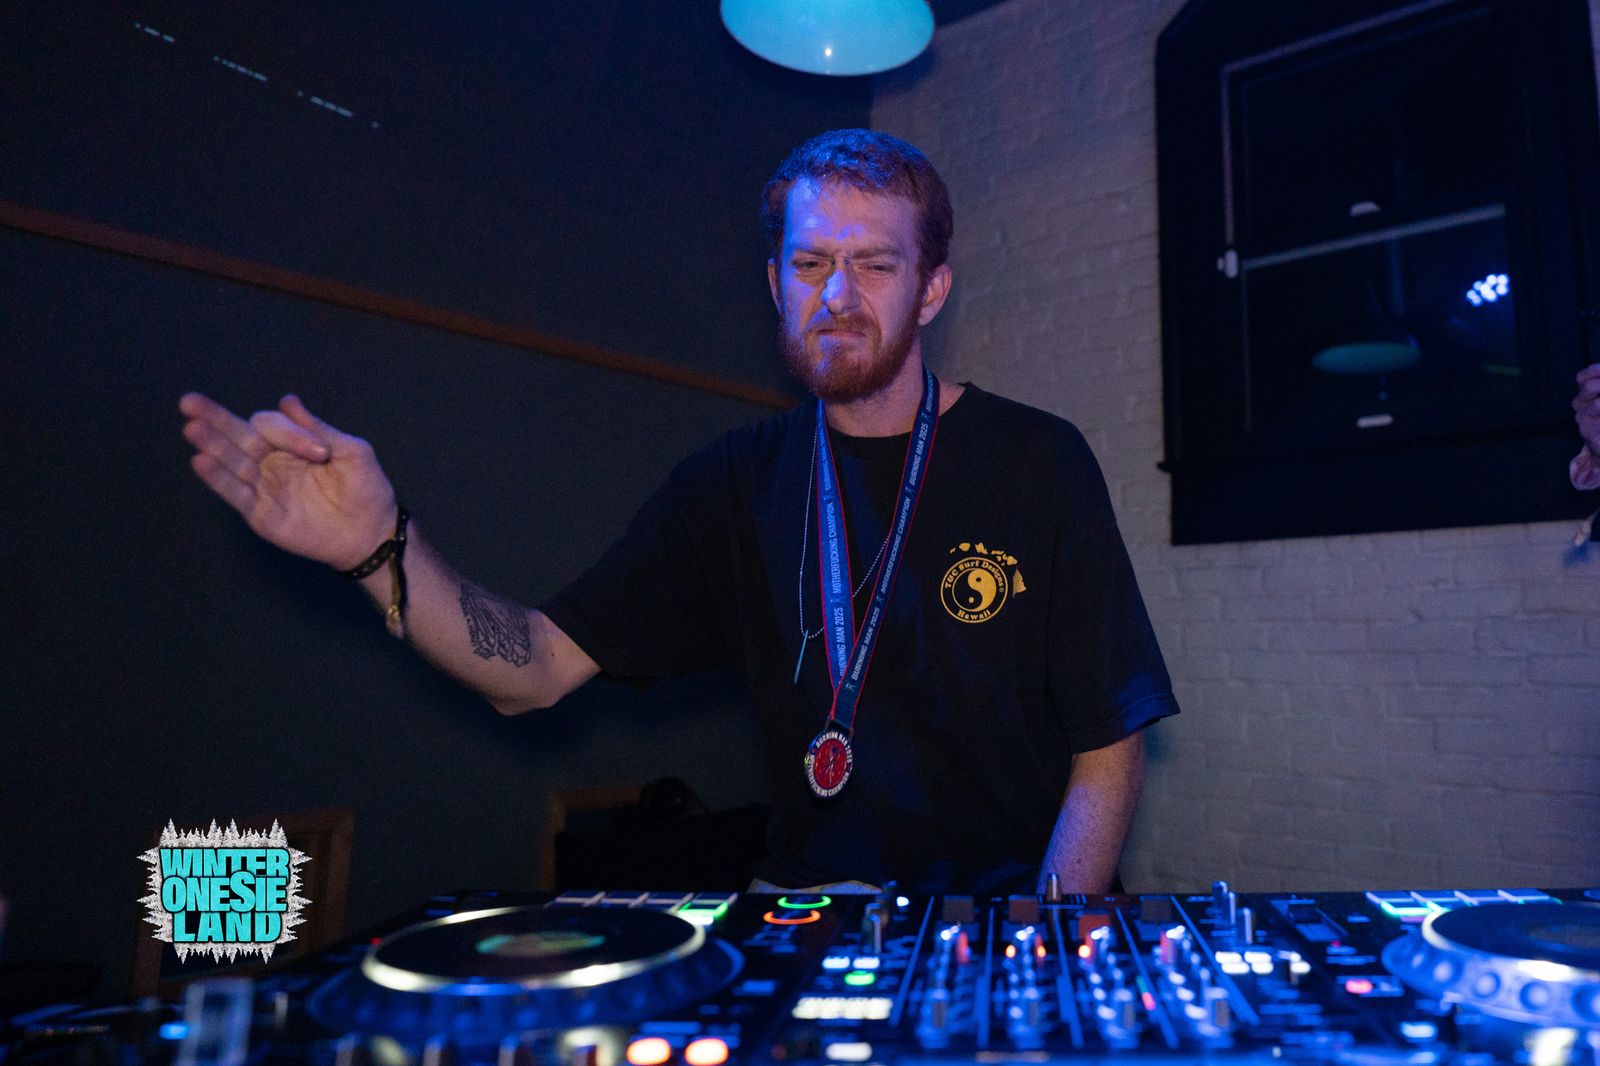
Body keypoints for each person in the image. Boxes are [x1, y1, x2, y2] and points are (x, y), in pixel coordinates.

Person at [180, 129, 1179, 896]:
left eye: (876, 265)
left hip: (1007, 925)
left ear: (930, 291)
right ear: (775, 286)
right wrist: (379, 549)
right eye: (809, 264)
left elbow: (1109, 746)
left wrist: (1043, 938)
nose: (837, 294)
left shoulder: (1036, 459)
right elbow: (534, 668)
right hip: (807, 922)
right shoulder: (732, 482)